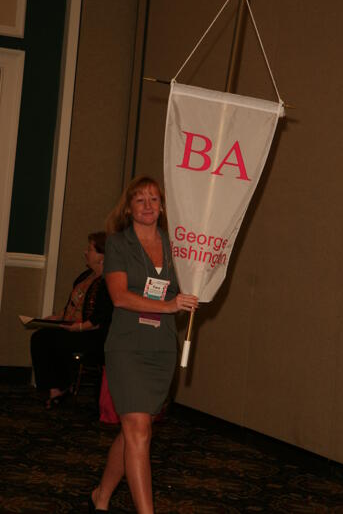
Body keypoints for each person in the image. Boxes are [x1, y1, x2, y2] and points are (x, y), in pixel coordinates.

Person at [89, 176, 198, 514]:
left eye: (154, 199)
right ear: (129, 208)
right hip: (127, 348)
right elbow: (120, 297)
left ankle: (101, 495)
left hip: (162, 348)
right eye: (140, 200)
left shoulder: (177, 246)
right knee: (138, 428)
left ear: (162, 207)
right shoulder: (118, 244)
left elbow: (191, 287)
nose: (148, 205)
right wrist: (169, 305)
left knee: (137, 428)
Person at [31, 232, 113, 409]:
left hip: (93, 335)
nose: (85, 252)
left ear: (102, 255)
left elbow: (100, 318)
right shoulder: (85, 277)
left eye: (90, 249)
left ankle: (60, 387)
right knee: (40, 337)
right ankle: (56, 388)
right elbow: (72, 305)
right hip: (74, 328)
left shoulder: (109, 282)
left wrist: (79, 328)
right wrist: (56, 317)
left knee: (49, 339)